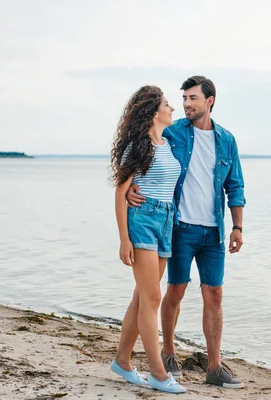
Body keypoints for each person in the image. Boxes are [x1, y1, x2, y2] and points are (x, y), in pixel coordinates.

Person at [127, 76, 246, 389]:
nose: (186, 105)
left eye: (193, 98)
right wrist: (129, 188)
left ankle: (215, 366)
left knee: (214, 294)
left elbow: (235, 186)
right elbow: (142, 146)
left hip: (214, 233)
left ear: (210, 101)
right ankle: (168, 353)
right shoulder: (173, 131)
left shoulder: (227, 140)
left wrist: (237, 226)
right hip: (179, 227)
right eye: (183, 99)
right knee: (175, 291)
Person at [109, 85, 186, 394]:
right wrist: (123, 239)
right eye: (168, 104)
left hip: (167, 219)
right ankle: (157, 372)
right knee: (153, 297)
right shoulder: (138, 147)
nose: (173, 109)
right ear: (155, 112)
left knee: (143, 296)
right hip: (142, 221)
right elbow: (119, 192)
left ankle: (122, 361)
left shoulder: (167, 144)